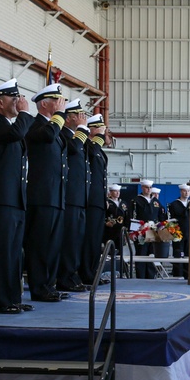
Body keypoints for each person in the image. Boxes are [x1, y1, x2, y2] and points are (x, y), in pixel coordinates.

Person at [0, 78, 34, 314]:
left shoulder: (9, 125)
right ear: (0, 102)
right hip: (0, 199)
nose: (19, 102)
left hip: (14, 200)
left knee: (14, 253)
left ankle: (13, 297)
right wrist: (23, 114)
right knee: (2, 252)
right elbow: (16, 133)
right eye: (14, 99)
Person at [24, 83, 70, 303]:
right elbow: (49, 135)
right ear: (44, 104)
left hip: (55, 195)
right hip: (41, 196)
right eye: (56, 101)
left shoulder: (54, 128)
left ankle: (49, 285)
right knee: (41, 244)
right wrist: (60, 116)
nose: (61, 104)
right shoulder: (35, 126)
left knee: (53, 244)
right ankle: (39, 287)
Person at [56, 99, 90, 293]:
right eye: (78, 115)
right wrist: (83, 131)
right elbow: (74, 149)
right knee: (69, 240)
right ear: (68, 118)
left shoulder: (77, 135)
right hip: (69, 196)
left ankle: (73, 274)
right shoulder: (64, 135)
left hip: (78, 197)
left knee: (76, 239)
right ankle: (65, 277)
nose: (82, 118)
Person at [80, 114, 107, 286]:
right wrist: (98, 138)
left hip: (98, 199)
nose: (103, 133)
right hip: (90, 199)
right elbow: (92, 153)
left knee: (96, 239)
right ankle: (86, 273)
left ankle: (93, 271)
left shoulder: (97, 148)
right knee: (89, 239)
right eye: (100, 129)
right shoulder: (87, 145)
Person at [132, 179, 164, 279]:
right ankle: (140, 277)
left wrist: (161, 226)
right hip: (141, 232)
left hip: (153, 232)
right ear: (142, 188)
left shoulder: (156, 201)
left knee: (152, 254)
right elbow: (132, 217)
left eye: (150, 188)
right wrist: (133, 232)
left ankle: (151, 277)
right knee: (141, 253)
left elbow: (161, 216)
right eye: (146, 187)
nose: (149, 189)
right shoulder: (136, 201)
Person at [104, 183, 129, 277]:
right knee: (109, 252)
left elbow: (127, 217)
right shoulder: (107, 203)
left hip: (120, 231)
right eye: (115, 191)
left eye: (118, 191)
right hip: (109, 231)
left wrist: (127, 229)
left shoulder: (123, 203)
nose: (117, 193)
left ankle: (120, 271)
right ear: (110, 192)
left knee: (120, 252)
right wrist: (105, 223)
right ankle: (108, 271)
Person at [169, 183, 190, 278]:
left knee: (189, 256)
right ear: (181, 192)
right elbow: (171, 220)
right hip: (178, 234)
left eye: (188, 191)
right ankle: (178, 275)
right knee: (178, 255)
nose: (187, 193)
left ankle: (188, 276)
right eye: (185, 191)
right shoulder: (174, 204)